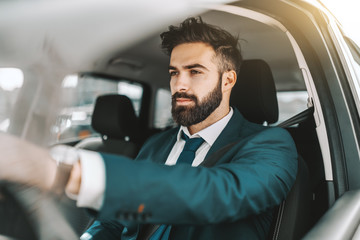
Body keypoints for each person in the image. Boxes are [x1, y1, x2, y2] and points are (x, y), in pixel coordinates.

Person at [0, 17, 297, 240]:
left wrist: (63, 173)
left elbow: (216, 193)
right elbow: (115, 219)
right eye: (174, 73)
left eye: (195, 72)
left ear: (228, 80)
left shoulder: (272, 145)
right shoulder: (156, 144)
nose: (179, 85)